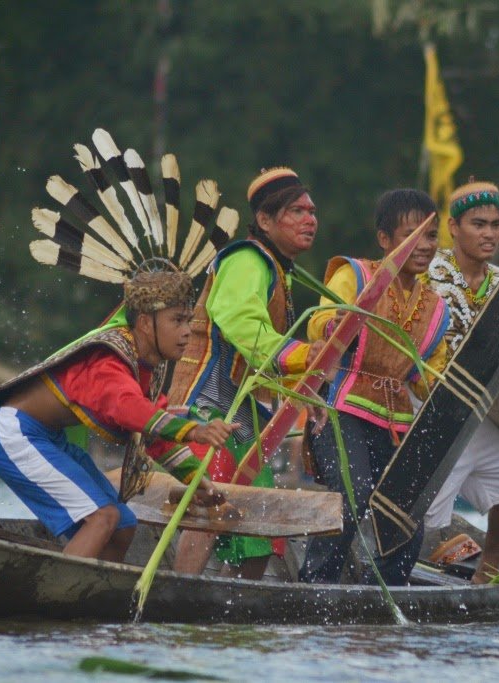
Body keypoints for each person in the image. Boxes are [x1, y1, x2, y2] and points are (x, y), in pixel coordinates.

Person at [0, 269, 236, 562]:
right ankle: (60, 594)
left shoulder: (143, 366)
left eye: (189, 320)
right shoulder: (108, 360)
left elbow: (154, 434)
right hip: (16, 434)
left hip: (48, 439)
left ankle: (95, 594)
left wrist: (199, 481)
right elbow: (128, 408)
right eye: (177, 320)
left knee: (123, 526)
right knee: (102, 517)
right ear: (145, 323)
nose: (187, 331)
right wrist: (195, 431)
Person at [168, 167, 324, 579]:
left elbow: (266, 356)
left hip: (244, 419)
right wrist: (305, 355)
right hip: (209, 409)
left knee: (259, 526)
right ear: (267, 222)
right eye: (297, 211)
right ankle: (180, 599)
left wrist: (310, 397)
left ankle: (231, 618)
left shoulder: (277, 269)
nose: (310, 219)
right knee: (211, 506)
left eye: (312, 211)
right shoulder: (247, 258)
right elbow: (241, 322)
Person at [298, 189, 450, 585]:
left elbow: (431, 373)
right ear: (385, 240)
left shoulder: (436, 306)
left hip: (395, 423)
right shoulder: (356, 275)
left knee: (406, 515)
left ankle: (380, 596)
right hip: (340, 409)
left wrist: (445, 386)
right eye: (411, 235)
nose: (425, 245)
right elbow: (321, 324)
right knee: (351, 495)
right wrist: (336, 326)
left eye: (431, 235)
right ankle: (315, 587)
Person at [422, 180, 499, 584]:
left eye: (495, 224)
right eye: (478, 224)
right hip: (430, 409)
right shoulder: (427, 274)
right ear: (454, 227)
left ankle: (487, 569)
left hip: (479, 413)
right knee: (425, 516)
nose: (489, 233)